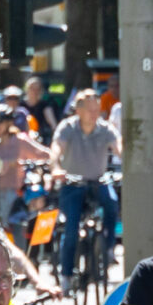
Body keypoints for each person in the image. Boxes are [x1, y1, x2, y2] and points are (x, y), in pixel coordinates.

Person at [51, 89, 121, 285]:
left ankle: (107, 247)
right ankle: (66, 274)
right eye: (90, 109)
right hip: (72, 183)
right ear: (78, 111)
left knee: (112, 203)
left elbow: (118, 146)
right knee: (71, 227)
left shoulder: (105, 129)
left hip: (98, 180)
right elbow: (57, 148)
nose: (94, 113)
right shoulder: (67, 127)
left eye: (96, 109)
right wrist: (56, 167)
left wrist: (126, 159)